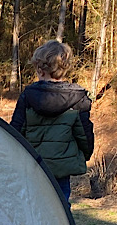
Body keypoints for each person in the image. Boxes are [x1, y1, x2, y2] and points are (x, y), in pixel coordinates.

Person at [10, 40, 94, 203]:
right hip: (61, 169)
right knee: (60, 207)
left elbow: (16, 131)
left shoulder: (28, 96)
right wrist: (85, 154)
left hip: (34, 165)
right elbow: (84, 134)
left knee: (33, 206)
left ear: (40, 70)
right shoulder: (77, 98)